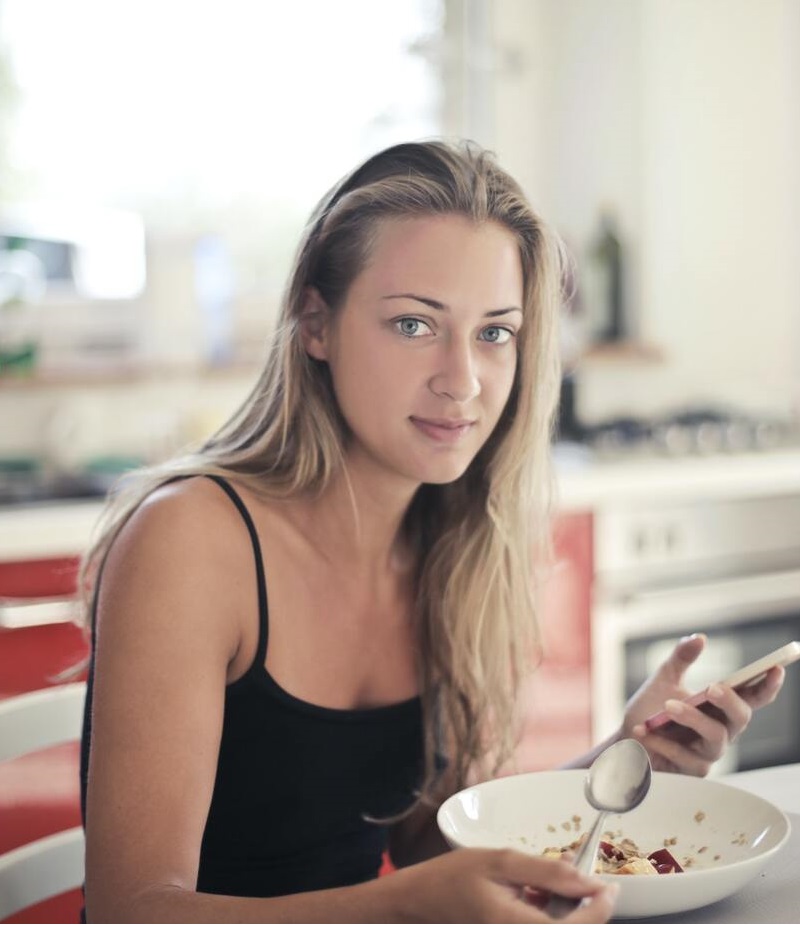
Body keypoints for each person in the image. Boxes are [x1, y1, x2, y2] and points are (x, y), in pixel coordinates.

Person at [79, 139, 784, 924]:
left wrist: (627, 756)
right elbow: (129, 910)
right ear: (317, 323)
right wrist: (398, 909)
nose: (463, 380)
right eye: (414, 325)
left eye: (495, 332)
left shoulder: (449, 544)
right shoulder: (192, 541)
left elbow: (425, 851)